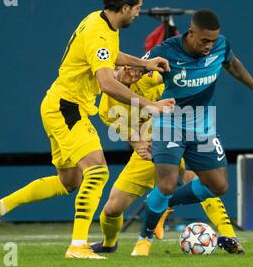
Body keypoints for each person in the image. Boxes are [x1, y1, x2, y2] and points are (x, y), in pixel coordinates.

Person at [0, 0, 175, 260]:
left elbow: (109, 57)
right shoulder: (99, 32)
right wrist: (151, 105)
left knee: (69, 181)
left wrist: (145, 63)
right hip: (68, 108)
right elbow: (106, 83)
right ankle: (78, 245)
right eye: (138, 8)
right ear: (125, 7)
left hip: (58, 104)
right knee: (98, 171)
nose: (139, 14)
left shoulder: (101, 22)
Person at [131, 9, 253, 256]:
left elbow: (232, 63)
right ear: (190, 34)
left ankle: (161, 205)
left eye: (213, 40)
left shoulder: (220, 46)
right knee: (167, 183)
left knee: (218, 185)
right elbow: (133, 70)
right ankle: (144, 239)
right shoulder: (165, 51)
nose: (209, 46)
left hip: (203, 125)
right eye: (204, 41)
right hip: (171, 123)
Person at [89, 69, 244, 255]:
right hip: (152, 146)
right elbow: (131, 135)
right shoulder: (107, 109)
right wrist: (141, 146)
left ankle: (229, 235)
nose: (131, 72)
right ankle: (109, 243)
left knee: (197, 177)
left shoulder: (146, 77)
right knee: (112, 208)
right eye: (121, 69)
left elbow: (174, 74)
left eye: (129, 66)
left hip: (181, 134)